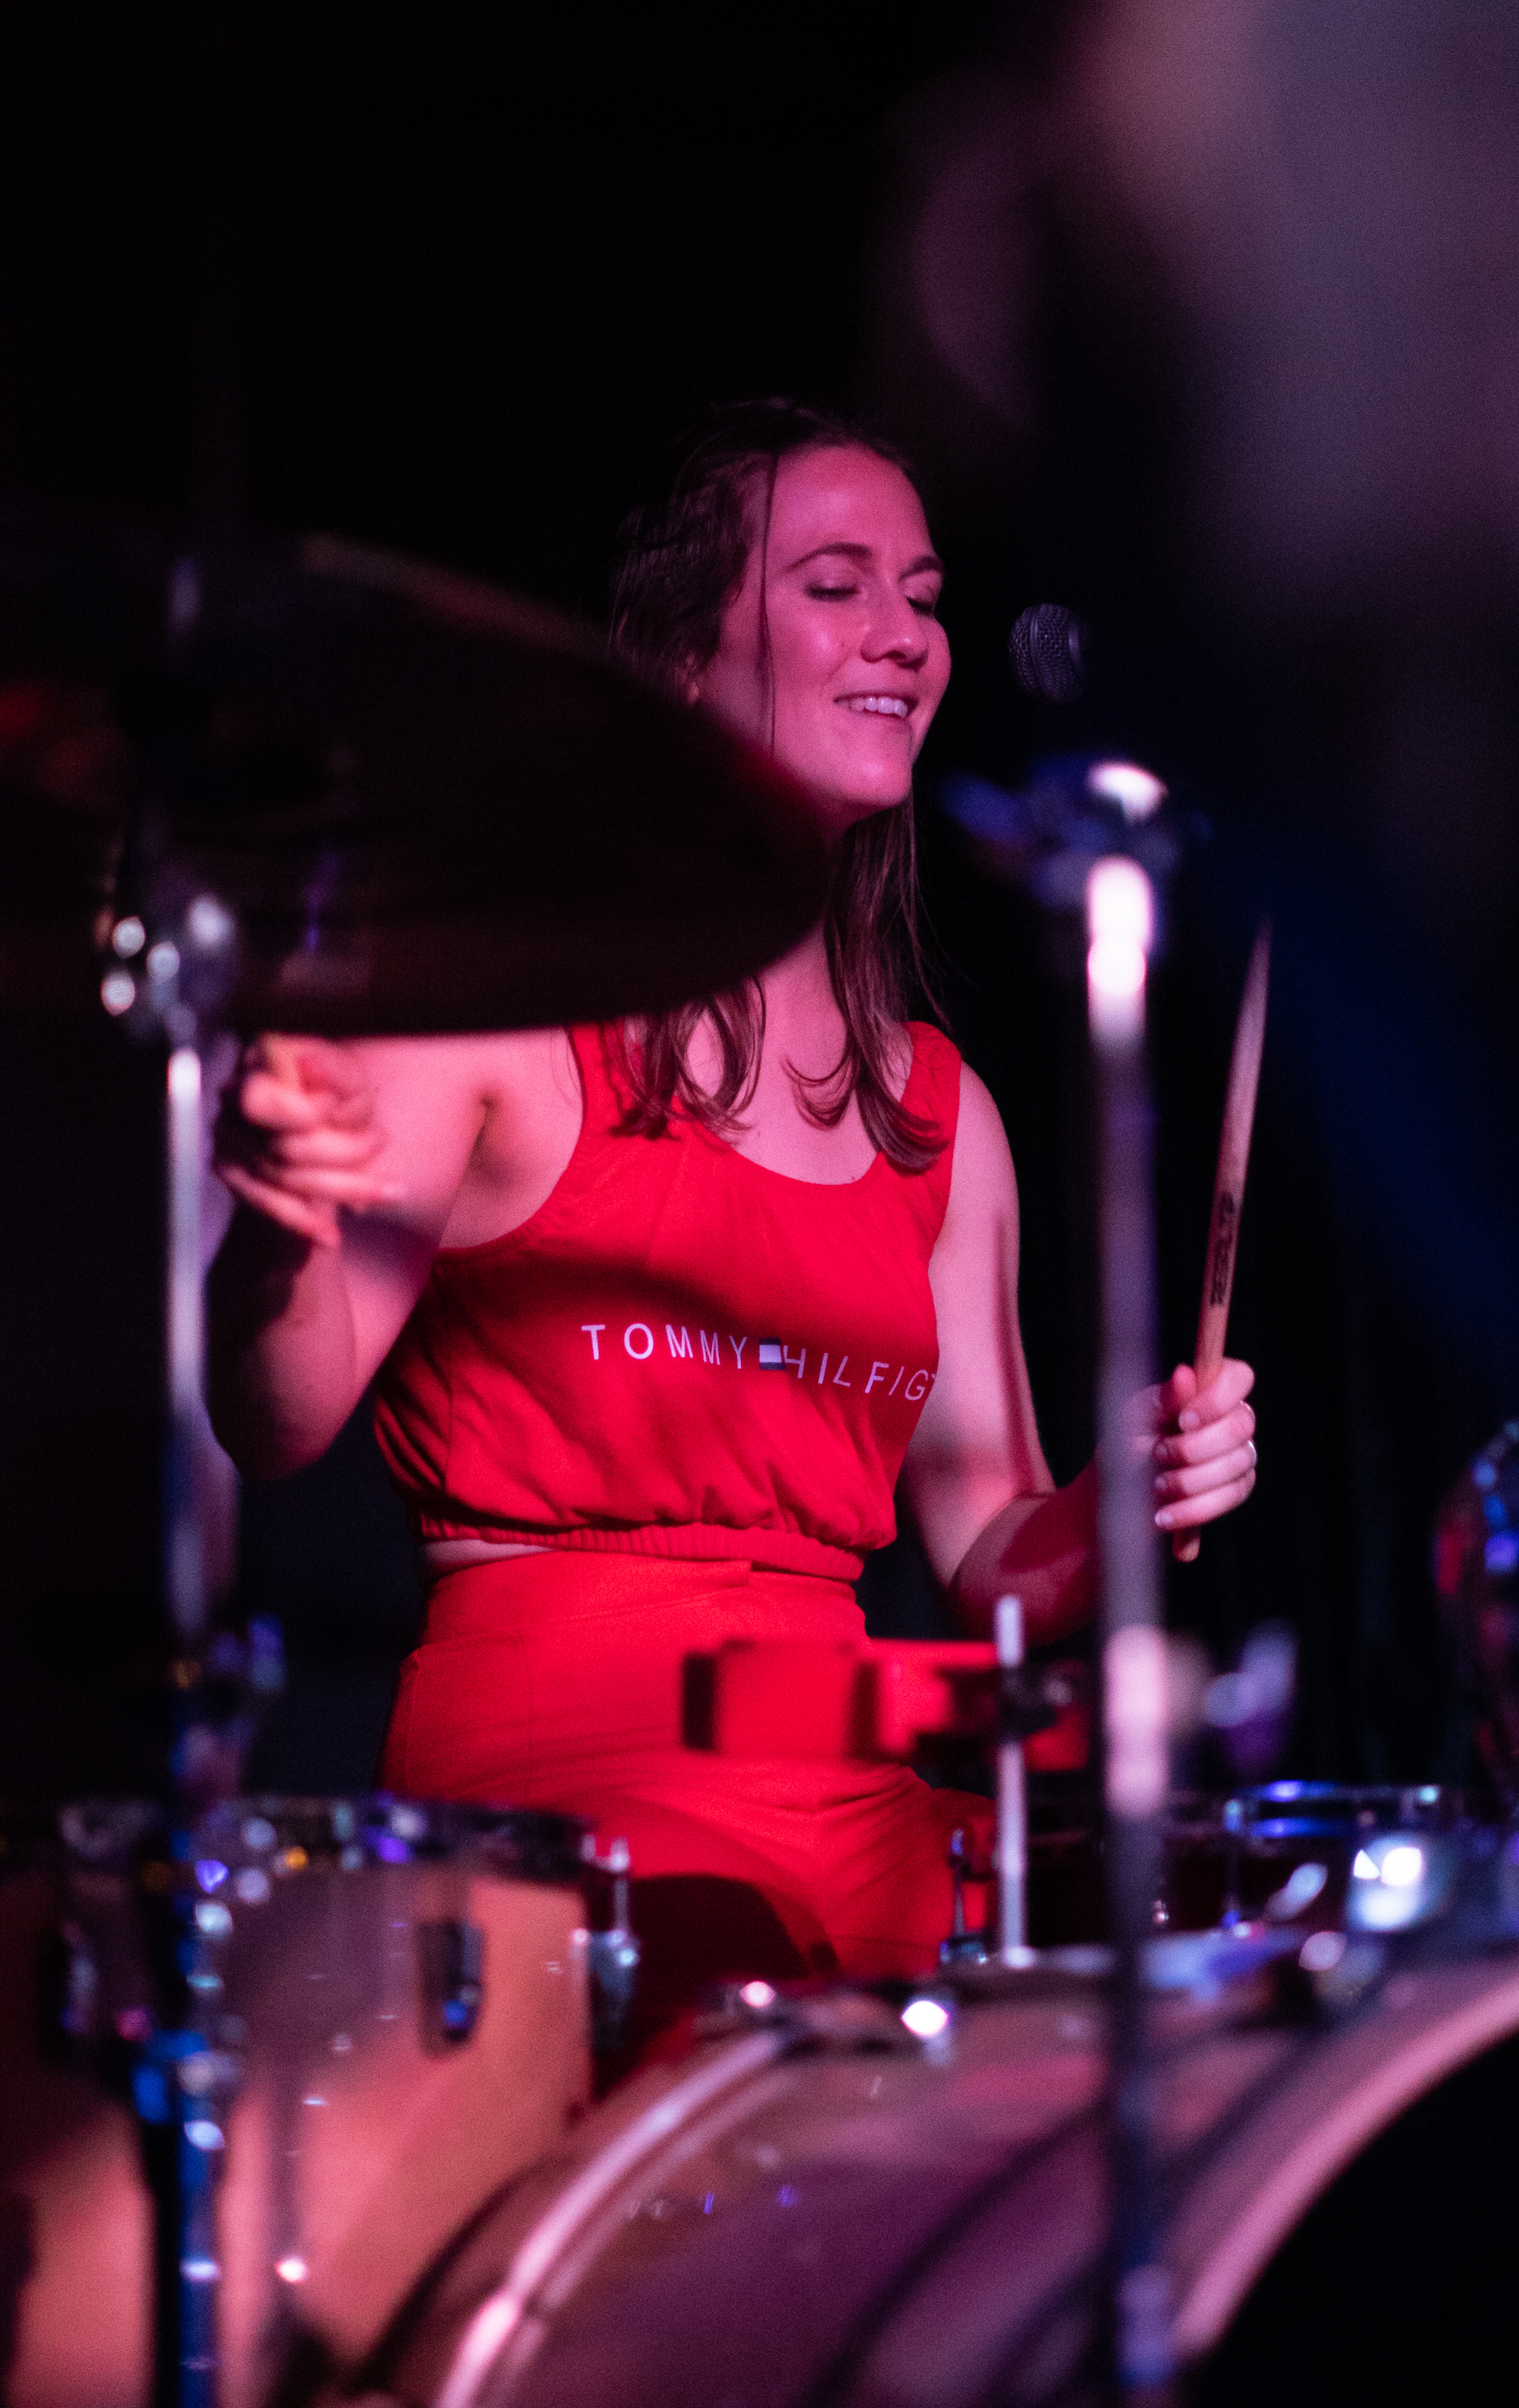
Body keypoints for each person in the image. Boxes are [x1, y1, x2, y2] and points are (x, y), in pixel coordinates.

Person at [207, 399, 1256, 2016]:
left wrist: (1123, 1495)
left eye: (924, 596)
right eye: (836, 586)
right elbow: (273, 1420)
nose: (905, 635)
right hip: (569, 1786)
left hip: (859, 1788)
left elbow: (991, 1561)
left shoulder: (942, 1113)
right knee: (746, 2002)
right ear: (676, 661)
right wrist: (283, 1224)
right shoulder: (494, 1014)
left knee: (1184, 1971)